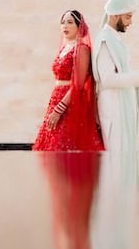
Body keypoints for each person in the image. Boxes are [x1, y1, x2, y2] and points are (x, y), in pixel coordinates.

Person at [91, 0, 139, 152]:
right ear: (115, 15)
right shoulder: (105, 41)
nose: (130, 22)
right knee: (116, 160)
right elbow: (107, 79)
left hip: (120, 108)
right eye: (128, 17)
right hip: (113, 110)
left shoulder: (115, 40)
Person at [32, 9, 105, 152]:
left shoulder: (82, 49)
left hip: (71, 102)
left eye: (70, 22)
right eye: (63, 22)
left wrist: (59, 109)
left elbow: (78, 83)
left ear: (79, 26)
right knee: (50, 144)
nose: (65, 26)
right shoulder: (65, 48)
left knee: (64, 144)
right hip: (56, 98)